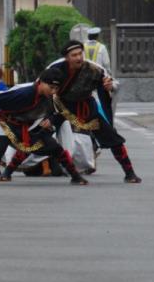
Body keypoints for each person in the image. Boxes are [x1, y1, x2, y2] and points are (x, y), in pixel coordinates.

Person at [40, 40, 141, 183]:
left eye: (80, 54)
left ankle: (129, 173)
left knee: (113, 139)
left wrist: (110, 86)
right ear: (66, 57)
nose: (78, 58)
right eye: (74, 55)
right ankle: (10, 169)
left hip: (85, 107)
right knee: (39, 133)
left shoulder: (94, 69)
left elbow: (113, 84)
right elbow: (41, 86)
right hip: (60, 106)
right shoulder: (55, 68)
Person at [0, 79, 88, 185]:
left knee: (54, 147)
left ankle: (75, 176)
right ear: (41, 83)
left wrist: (51, 119)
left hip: (29, 127)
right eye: (51, 87)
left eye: (56, 89)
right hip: (7, 124)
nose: (53, 91)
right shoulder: (25, 92)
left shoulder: (53, 97)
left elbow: (60, 113)